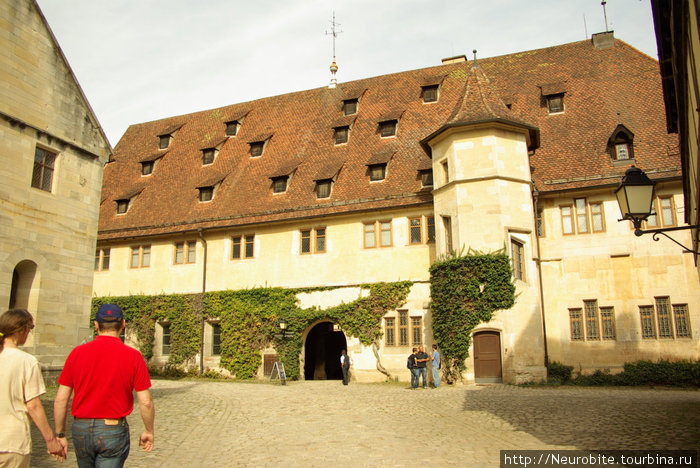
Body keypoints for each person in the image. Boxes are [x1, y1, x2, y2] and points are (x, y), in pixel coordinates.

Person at [53, 304, 154, 467]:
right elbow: (146, 402)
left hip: (81, 428)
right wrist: (149, 430)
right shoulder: (133, 356)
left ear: (95, 325)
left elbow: (60, 400)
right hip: (112, 429)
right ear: (123, 324)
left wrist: (60, 433)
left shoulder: (77, 353)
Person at [0, 309, 65, 467]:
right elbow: (33, 405)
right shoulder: (26, 361)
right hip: (11, 442)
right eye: (30, 328)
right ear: (21, 330)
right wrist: (51, 440)